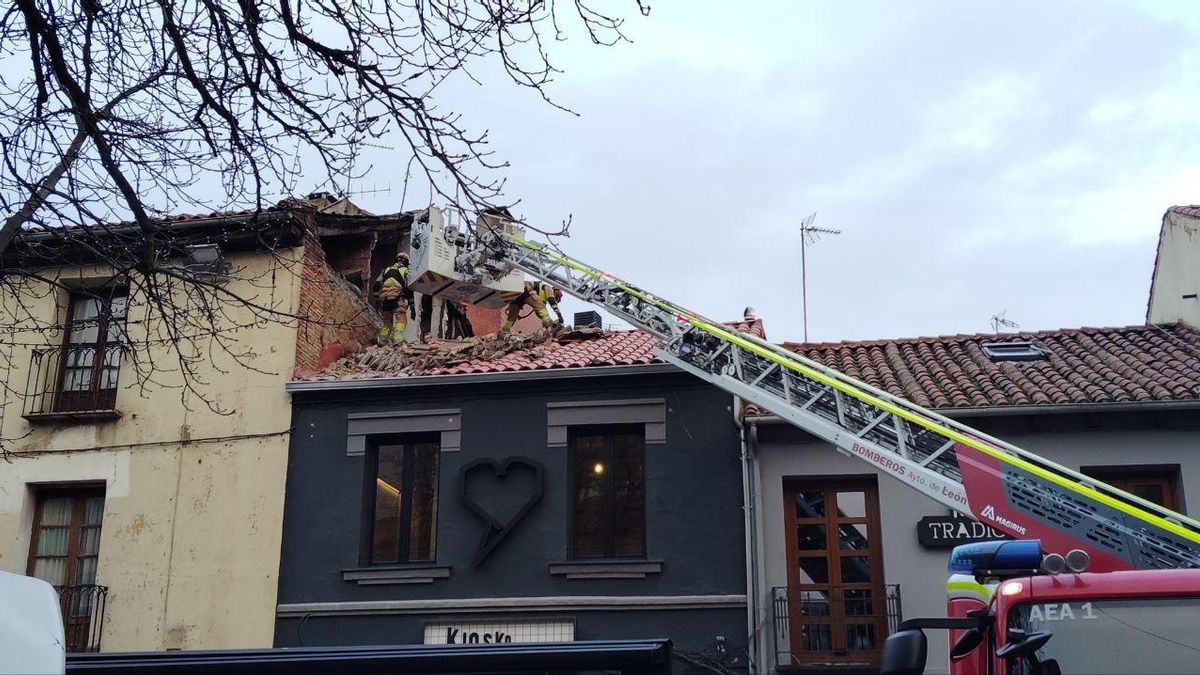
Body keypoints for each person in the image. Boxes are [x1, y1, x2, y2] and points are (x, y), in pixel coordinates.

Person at [375, 252, 413, 346]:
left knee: (387, 323)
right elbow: (409, 288)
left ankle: (382, 342)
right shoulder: (405, 271)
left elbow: (376, 285)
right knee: (401, 320)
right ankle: (398, 340)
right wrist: (412, 304)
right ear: (406, 262)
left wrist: (377, 298)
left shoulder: (385, 270)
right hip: (397, 299)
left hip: (384, 300)